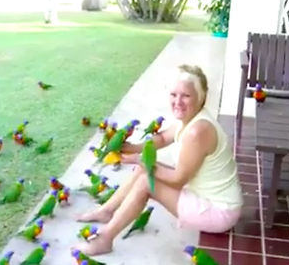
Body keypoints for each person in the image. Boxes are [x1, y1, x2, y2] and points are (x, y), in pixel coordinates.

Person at [73, 64, 244, 256]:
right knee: (142, 170)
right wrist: (132, 147)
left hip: (219, 211)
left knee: (147, 182)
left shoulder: (198, 130)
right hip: (203, 195)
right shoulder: (188, 119)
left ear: (201, 96)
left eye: (186, 96)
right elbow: (162, 138)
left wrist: (140, 159)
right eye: (174, 95)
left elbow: (178, 179)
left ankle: (105, 239)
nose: (178, 101)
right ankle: (107, 210)